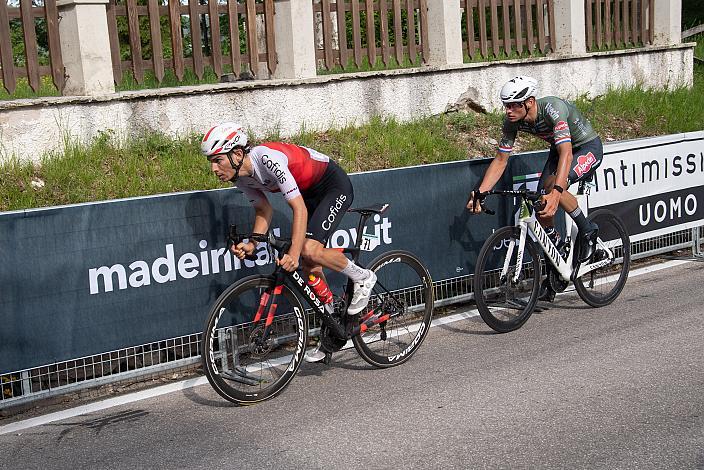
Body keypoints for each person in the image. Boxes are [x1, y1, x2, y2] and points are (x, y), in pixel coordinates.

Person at [201, 122, 376, 361]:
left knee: (307, 249)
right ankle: (332, 327)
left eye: (217, 160)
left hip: (331, 185)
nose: (213, 168)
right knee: (310, 265)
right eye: (211, 161)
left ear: (238, 154)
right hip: (309, 192)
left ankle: (363, 278)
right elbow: (264, 210)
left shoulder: (267, 159)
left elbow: (298, 209)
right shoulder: (241, 178)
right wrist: (252, 244)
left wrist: (293, 254)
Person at [466, 76, 604, 301]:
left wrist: (557, 193)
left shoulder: (552, 109)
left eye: (513, 105)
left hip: (586, 147)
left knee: (551, 188)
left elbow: (567, 154)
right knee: (541, 201)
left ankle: (587, 229)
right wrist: (480, 192)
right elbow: (501, 159)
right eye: (506, 106)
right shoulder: (512, 121)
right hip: (558, 150)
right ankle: (555, 263)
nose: (508, 111)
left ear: (529, 102)